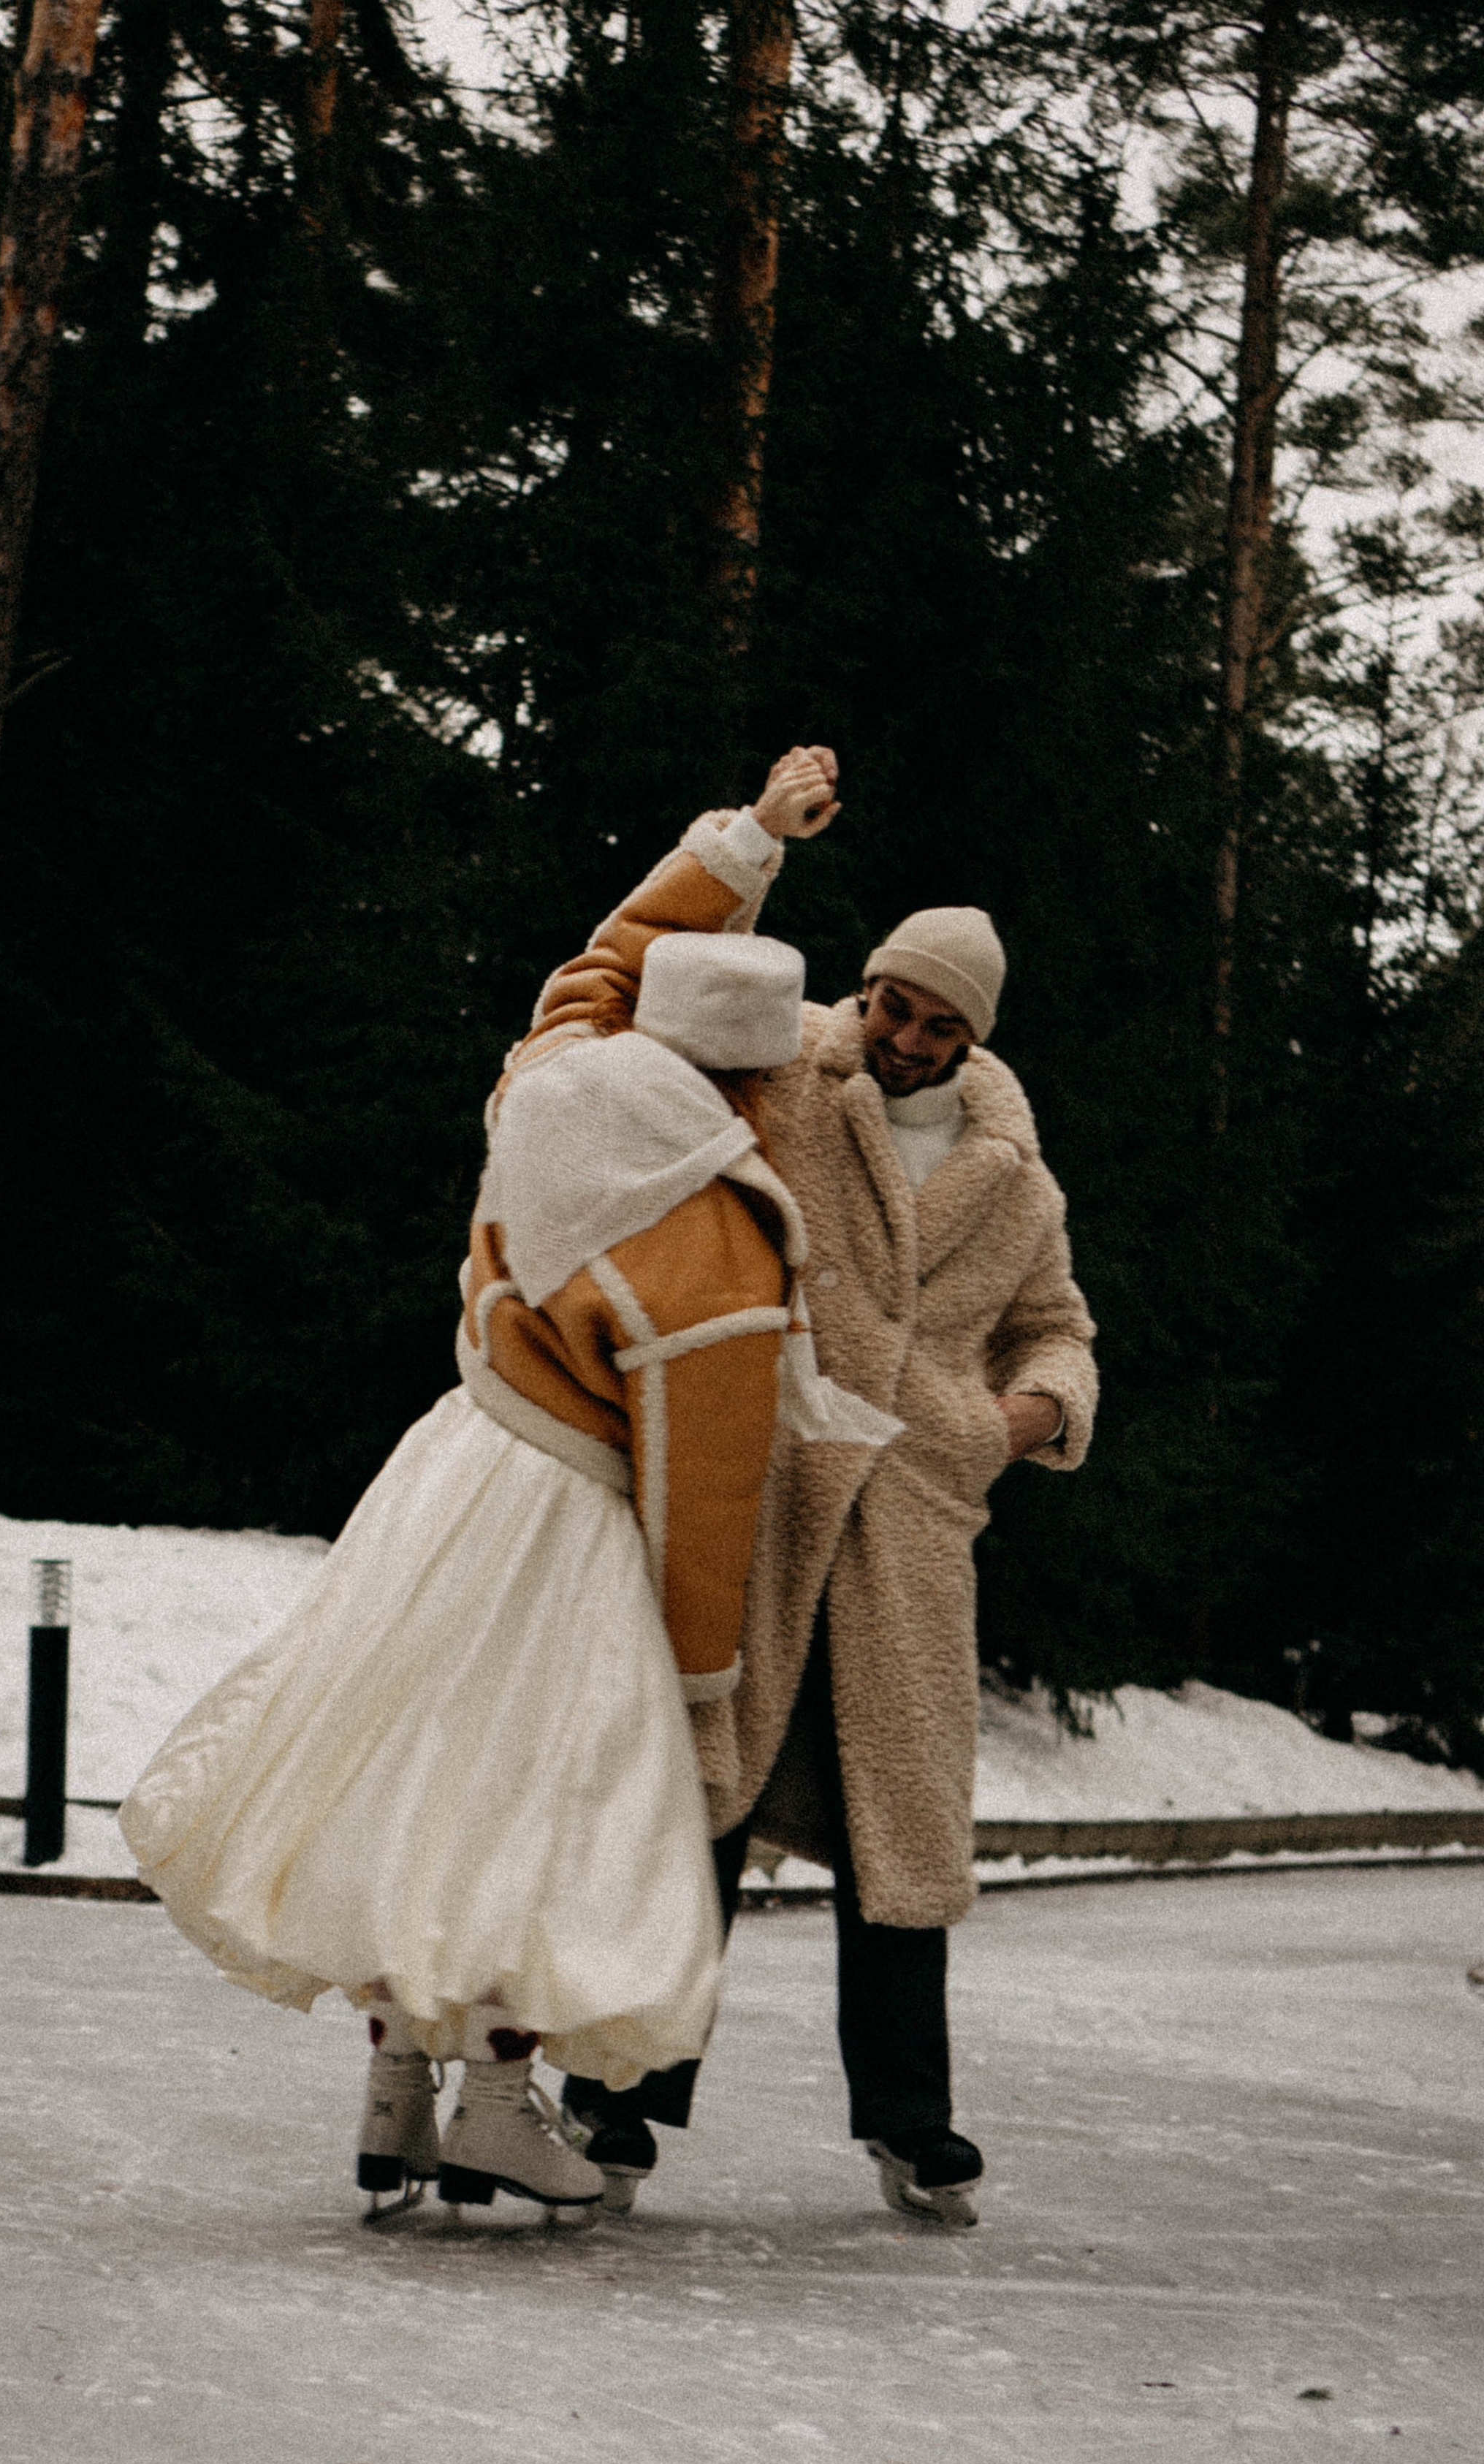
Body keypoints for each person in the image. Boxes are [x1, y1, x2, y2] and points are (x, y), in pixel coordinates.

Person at [119, 919, 897, 2222]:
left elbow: (594, 968)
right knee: (536, 1813)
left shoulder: (555, 1080)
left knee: (415, 1781)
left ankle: (395, 2097)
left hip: (456, 1474)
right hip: (572, 1522)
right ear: (761, 1078)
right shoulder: (721, 1237)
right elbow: (703, 1487)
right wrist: (700, 1678)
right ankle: (491, 2109)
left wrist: (743, 846)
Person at [543, 748, 1100, 2229]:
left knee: (899, 1839)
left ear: (974, 1038)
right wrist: (754, 840)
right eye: (892, 1004)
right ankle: (616, 2099)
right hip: (765, 1488)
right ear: (867, 987)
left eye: (936, 1024)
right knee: (700, 1804)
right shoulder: (787, 1066)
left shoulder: (1019, 1182)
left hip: (911, 1521)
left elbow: (1056, 1324)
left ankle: (911, 2127)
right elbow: (656, 988)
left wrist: (1025, 1415)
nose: (903, 1038)